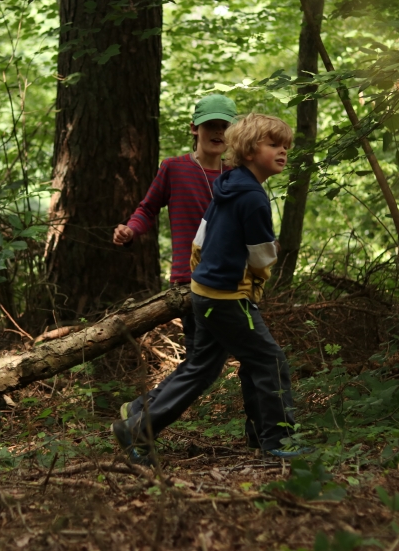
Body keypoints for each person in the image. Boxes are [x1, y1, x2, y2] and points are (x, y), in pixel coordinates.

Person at [112, 113, 305, 464]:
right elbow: (261, 257)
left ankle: (137, 429)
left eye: (286, 147)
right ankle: (278, 440)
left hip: (205, 294)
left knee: (202, 367)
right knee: (269, 361)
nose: (282, 152)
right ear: (248, 150)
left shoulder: (228, 183)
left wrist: (202, 276)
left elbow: (200, 238)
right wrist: (261, 272)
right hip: (228, 299)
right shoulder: (253, 197)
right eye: (273, 145)